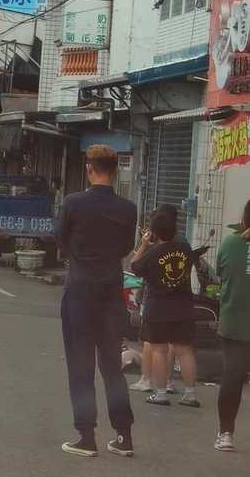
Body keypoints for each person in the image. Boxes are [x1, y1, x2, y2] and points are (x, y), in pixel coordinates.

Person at [58, 145, 136, 458]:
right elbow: (126, 246)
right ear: (115, 170)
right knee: (112, 367)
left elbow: (60, 239)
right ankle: (124, 436)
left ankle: (86, 436)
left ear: (90, 167)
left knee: (81, 365)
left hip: (79, 290)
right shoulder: (128, 209)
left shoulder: (73, 203)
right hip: (110, 292)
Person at [131, 210, 199, 408]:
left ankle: (160, 394)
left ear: (154, 232)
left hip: (158, 308)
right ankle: (190, 394)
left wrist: (144, 244)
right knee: (185, 350)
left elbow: (134, 266)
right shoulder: (186, 249)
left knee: (159, 350)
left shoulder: (153, 253)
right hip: (183, 307)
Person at [129, 204, 181, 395]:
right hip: (178, 301)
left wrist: (143, 245)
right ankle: (167, 381)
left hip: (155, 301)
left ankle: (146, 379)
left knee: (151, 342)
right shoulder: (182, 244)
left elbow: (134, 266)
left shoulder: (155, 249)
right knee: (171, 343)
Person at [214, 199, 250, 452]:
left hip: (235, 322)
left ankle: (225, 433)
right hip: (236, 322)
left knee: (233, 378)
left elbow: (221, 273)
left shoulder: (229, 243)